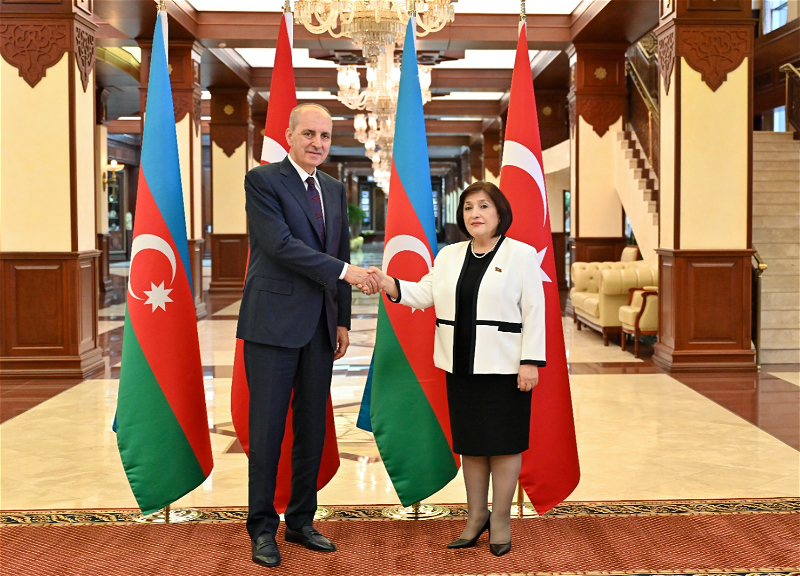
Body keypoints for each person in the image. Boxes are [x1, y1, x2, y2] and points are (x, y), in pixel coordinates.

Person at [367, 181, 546, 557]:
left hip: (505, 367)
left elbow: (534, 311)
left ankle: (500, 520)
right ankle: (476, 516)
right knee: (472, 446)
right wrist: (388, 283)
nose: (475, 214)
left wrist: (530, 361)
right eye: (468, 207)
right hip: (460, 366)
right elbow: (423, 294)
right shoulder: (449, 255)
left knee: (504, 445)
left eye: (484, 206)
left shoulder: (521, 254)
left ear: (500, 213)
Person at [237, 103, 377, 568]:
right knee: (267, 430)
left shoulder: (333, 189)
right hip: (272, 325)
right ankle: (262, 528)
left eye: (325, 136)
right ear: (290, 135)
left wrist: (342, 321)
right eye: (309, 134)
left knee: (312, 429)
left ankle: (300, 520)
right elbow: (280, 246)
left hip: (319, 326)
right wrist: (346, 272)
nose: (318, 143)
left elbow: (339, 251)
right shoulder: (262, 181)